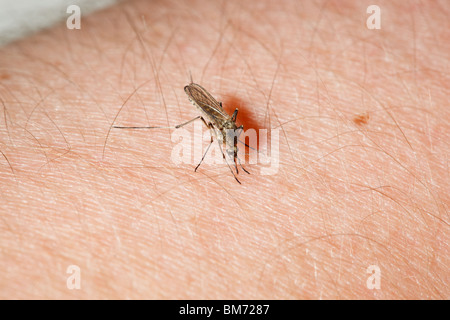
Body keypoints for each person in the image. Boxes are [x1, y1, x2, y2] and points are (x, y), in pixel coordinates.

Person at [0, 0, 447, 299]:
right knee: (216, 133)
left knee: (228, 135)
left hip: (224, 118)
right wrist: (219, 136)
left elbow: (233, 130)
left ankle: (228, 153)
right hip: (215, 114)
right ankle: (220, 150)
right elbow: (221, 125)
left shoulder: (233, 127)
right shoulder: (216, 120)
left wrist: (232, 139)